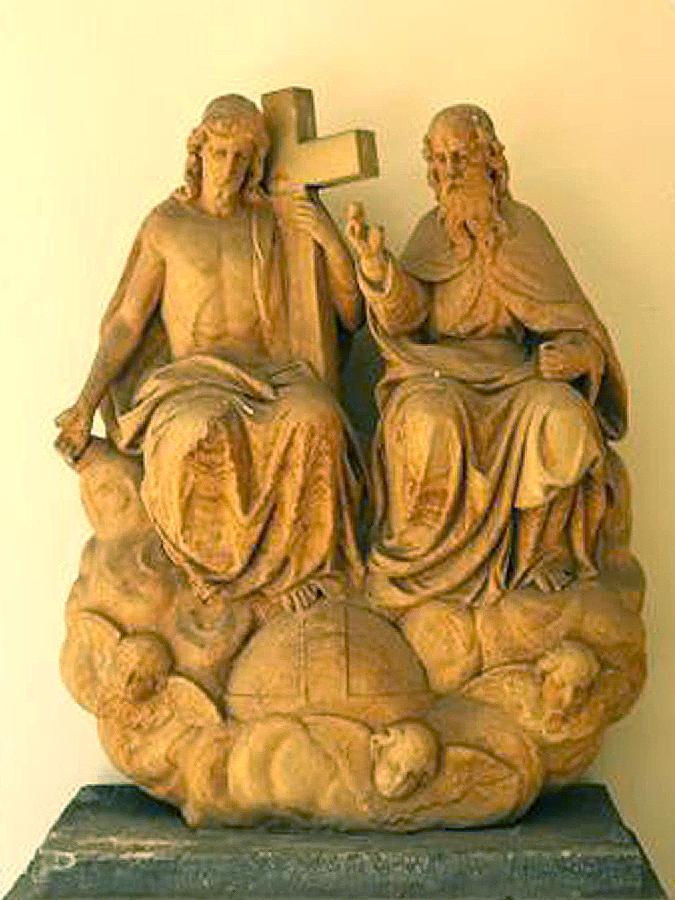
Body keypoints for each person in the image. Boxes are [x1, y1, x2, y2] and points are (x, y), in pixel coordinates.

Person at [55, 95, 364, 610]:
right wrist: (86, 402)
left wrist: (330, 241)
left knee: (319, 418)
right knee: (197, 431)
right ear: (197, 153)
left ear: (255, 164)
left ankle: (298, 569)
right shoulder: (167, 226)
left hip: (269, 377)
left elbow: (350, 314)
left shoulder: (269, 223)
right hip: (192, 380)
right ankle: (218, 578)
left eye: (242, 157)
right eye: (219, 153)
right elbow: (128, 321)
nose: (228, 167)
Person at [346, 104, 627, 610]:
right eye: (440, 160)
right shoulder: (431, 233)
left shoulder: (524, 228)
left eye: (461, 157)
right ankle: (426, 568)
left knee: (562, 416)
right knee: (428, 419)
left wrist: (577, 354)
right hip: (437, 374)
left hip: (515, 375)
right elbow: (407, 315)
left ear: (491, 160)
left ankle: (540, 554)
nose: (450, 172)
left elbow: (576, 323)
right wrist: (378, 270)